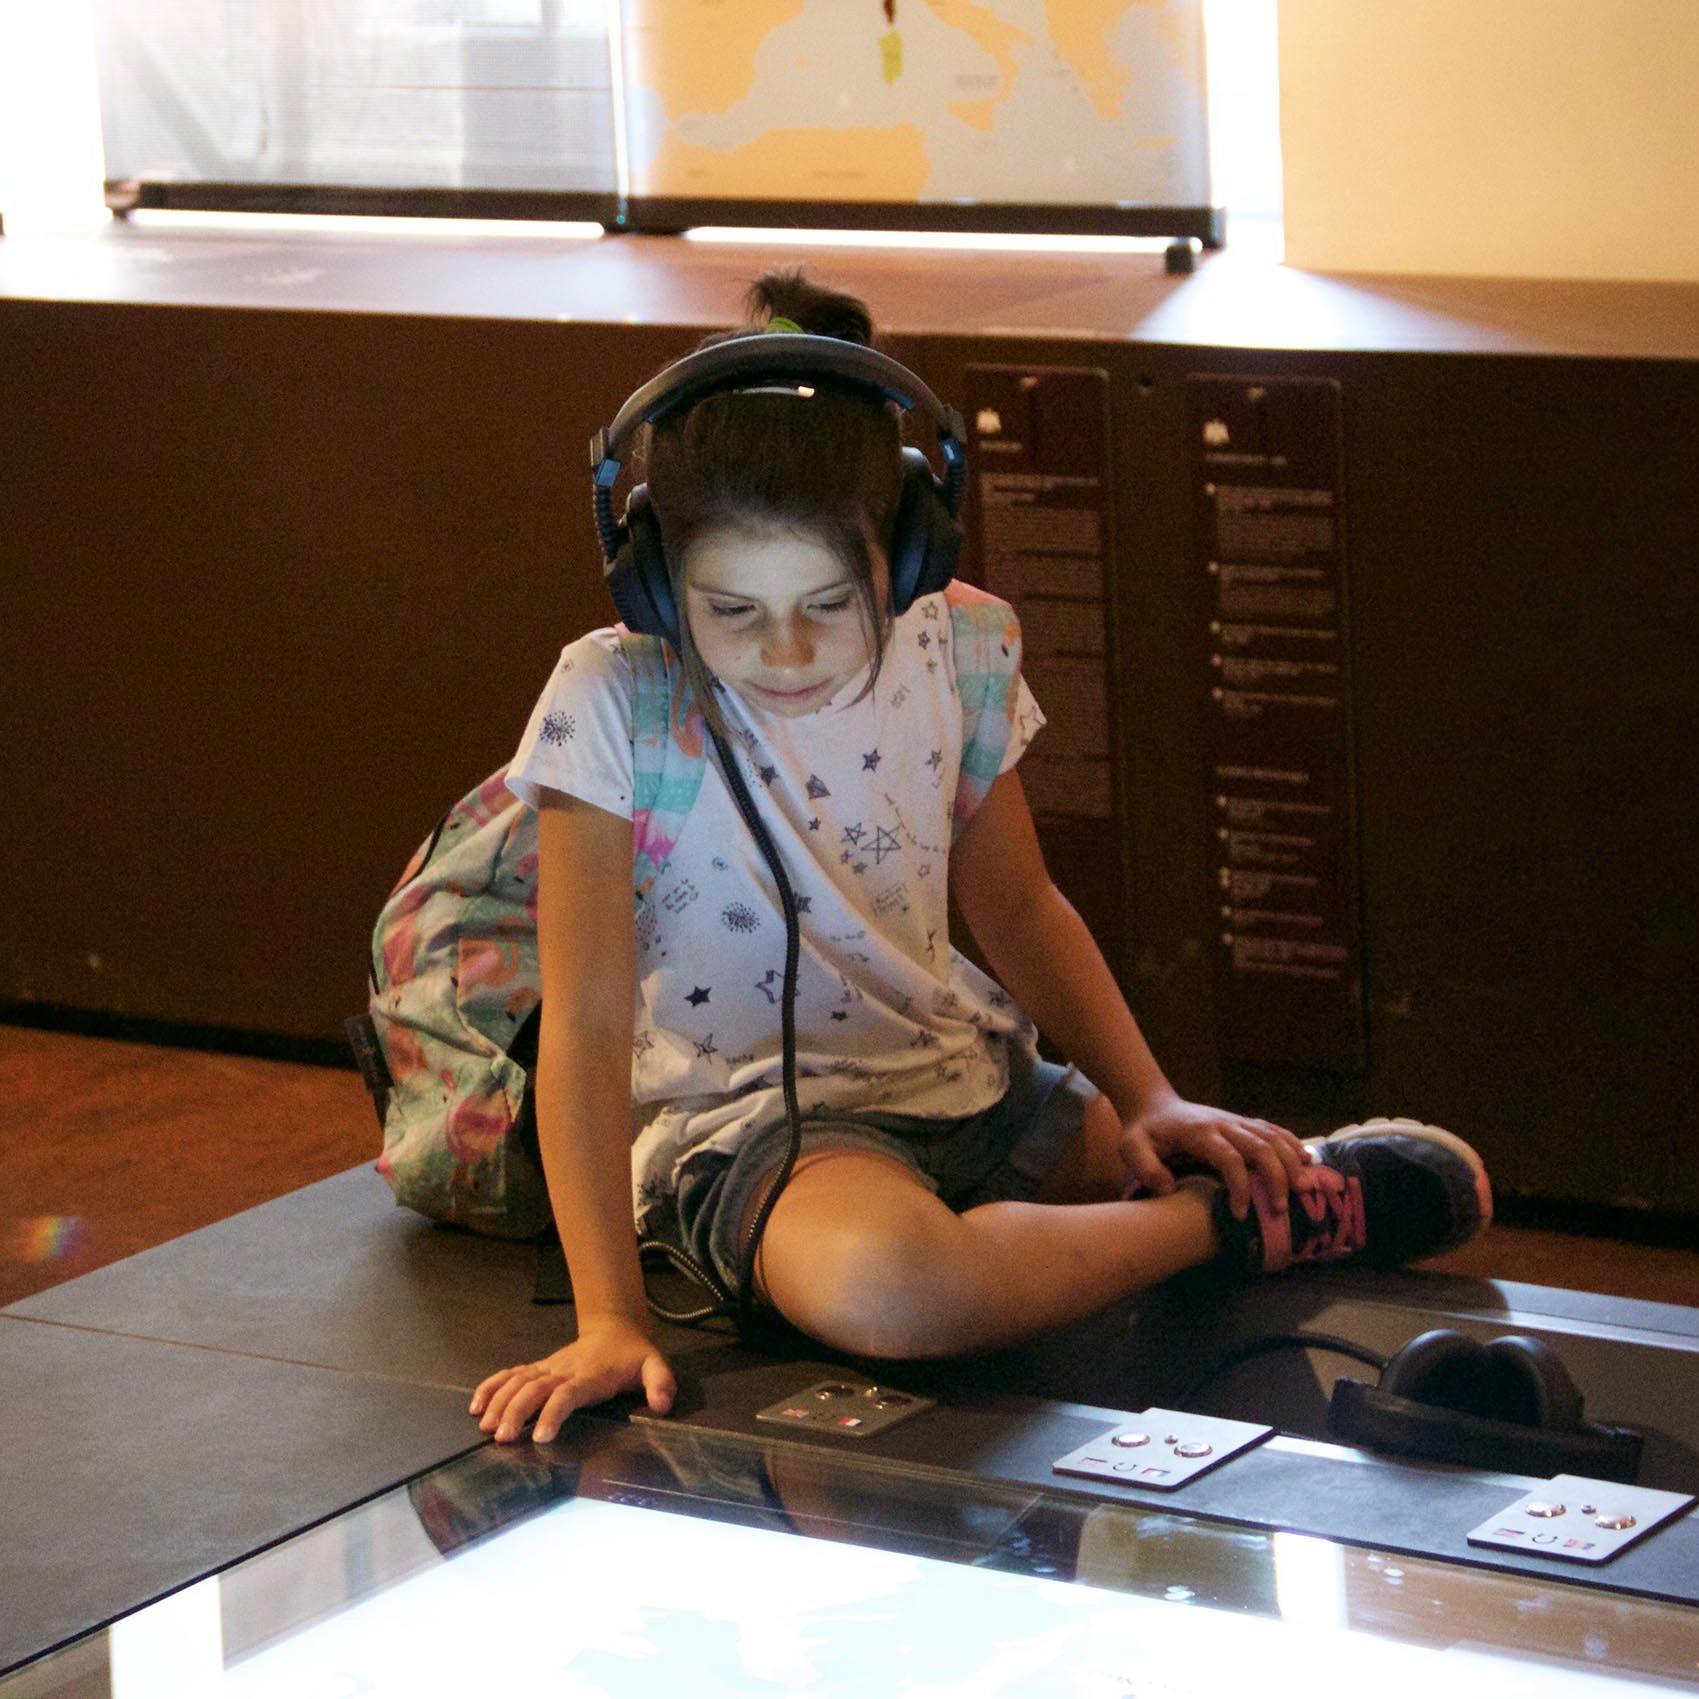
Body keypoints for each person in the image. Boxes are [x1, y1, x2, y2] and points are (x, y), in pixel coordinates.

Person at [472, 272, 1491, 1446]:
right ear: (653, 581)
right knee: (889, 1289)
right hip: (756, 1127)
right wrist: (610, 1315)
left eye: (828, 600)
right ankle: (1235, 1224)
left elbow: (1016, 902)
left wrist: (1144, 1094)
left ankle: (1258, 1187)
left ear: (903, 551)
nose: (787, 649)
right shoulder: (610, 698)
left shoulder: (962, 640)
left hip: (967, 1074)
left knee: (1156, 1167)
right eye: (732, 611)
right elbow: (589, 1022)